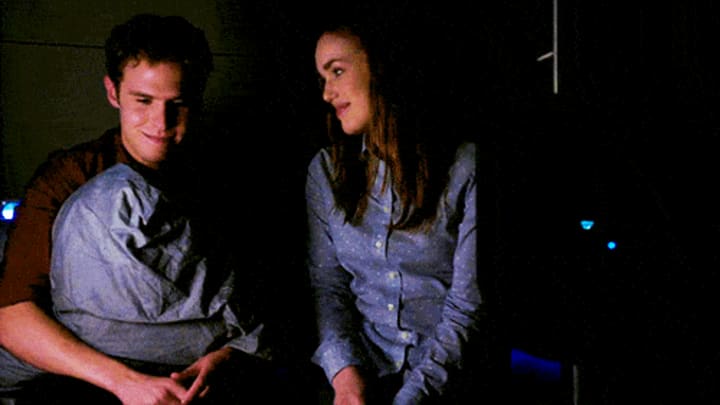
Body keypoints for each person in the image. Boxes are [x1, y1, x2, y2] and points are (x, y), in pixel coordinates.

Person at [0, 14, 273, 404]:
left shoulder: (221, 178)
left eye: (177, 104)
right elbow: (12, 315)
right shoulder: (70, 178)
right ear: (113, 92)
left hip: (195, 372)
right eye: (143, 101)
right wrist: (126, 383)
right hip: (92, 375)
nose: (160, 123)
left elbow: (256, 297)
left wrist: (227, 356)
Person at [305, 12, 486, 404]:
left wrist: (413, 396)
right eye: (323, 78)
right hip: (365, 371)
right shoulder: (326, 172)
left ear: (382, 66)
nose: (327, 93)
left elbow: (468, 305)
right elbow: (328, 286)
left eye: (337, 71)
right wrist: (345, 374)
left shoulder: (466, 166)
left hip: (449, 376)